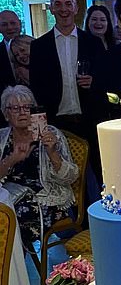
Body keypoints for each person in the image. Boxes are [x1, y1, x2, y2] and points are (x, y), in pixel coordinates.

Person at [29, 0, 107, 185]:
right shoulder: (39, 47)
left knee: (100, 175)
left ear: (76, 8)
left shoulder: (93, 43)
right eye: (58, 4)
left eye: (68, 4)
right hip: (58, 123)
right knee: (63, 178)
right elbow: (35, 87)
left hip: (90, 120)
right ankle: (75, 217)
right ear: (51, 8)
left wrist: (95, 83)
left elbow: (106, 82)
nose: (63, 9)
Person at [0, 85, 78, 245]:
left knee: (13, 220)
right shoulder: (2, 138)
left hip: (45, 199)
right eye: (15, 108)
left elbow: (71, 177)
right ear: (6, 114)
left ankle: (24, 267)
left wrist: (52, 153)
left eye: (27, 107)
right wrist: (11, 159)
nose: (22, 112)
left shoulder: (51, 134)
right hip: (10, 197)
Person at [0, 10, 22, 96]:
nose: (9, 27)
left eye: (13, 23)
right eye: (4, 24)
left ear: (20, 24)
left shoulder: (36, 47)